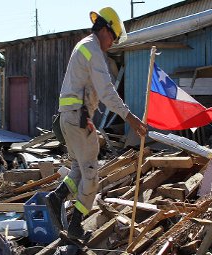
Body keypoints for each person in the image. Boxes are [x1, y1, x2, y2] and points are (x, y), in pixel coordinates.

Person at [45, 7, 147, 241]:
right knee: (91, 174)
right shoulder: (93, 50)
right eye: (113, 36)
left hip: (70, 117)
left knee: (79, 169)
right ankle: (75, 227)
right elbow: (107, 92)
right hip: (77, 117)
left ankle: (57, 197)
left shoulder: (84, 45)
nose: (113, 42)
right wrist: (130, 117)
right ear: (103, 29)